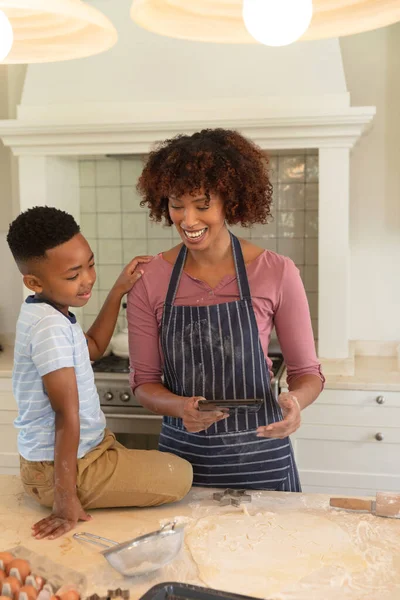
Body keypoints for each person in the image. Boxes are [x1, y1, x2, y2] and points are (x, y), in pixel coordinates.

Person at [127, 128, 324, 491]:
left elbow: (307, 372)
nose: (188, 220)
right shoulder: (149, 279)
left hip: (262, 455)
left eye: (203, 205)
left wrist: (295, 402)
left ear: (230, 202)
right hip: (182, 465)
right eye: (176, 204)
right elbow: (144, 383)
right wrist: (179, 408)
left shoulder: (277, 271)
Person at [6, 206, 193, 540]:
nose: (88, 279)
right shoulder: (49, 327)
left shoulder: (49, 312)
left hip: (85, 454)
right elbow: (66, 414)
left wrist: (119, 289)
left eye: (90, 264)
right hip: (59, 471)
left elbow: (91, 346)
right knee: (180, 475)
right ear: (34, 281)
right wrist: (65, 500)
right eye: (73, 275)